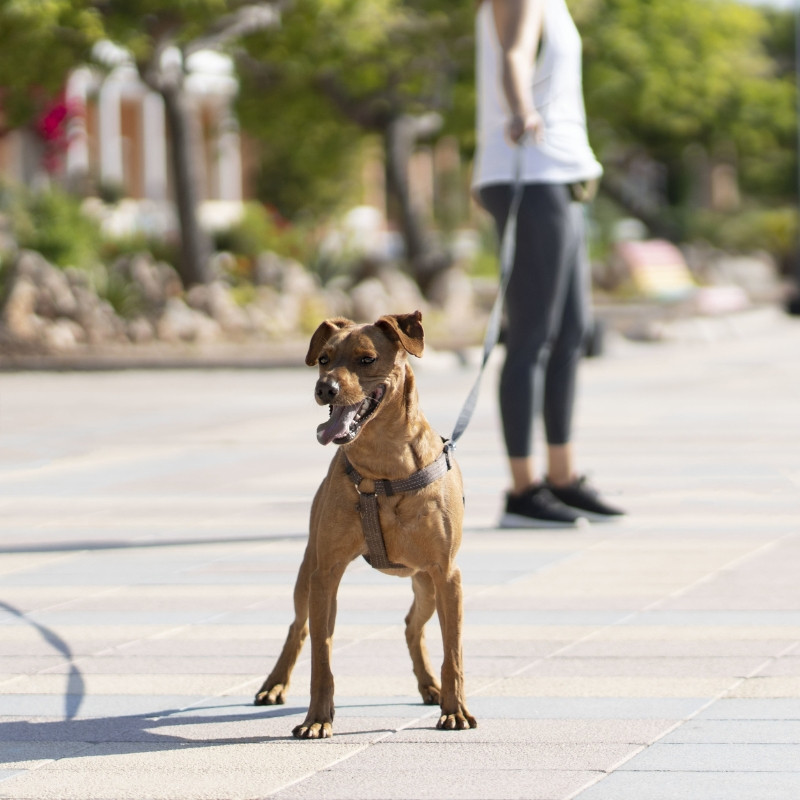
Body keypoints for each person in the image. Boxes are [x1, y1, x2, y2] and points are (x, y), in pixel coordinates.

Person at [472, 0, 624, 527]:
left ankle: (561, 476)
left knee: (571, 331)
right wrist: (521, 110)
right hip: (529, 172)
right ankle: (522, 489)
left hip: (558, 175)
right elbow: (513, 56)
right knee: (533, 335)